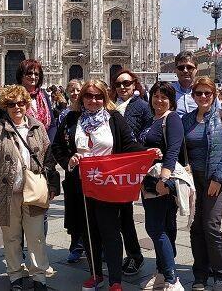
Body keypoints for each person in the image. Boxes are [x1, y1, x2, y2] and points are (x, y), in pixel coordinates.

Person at [51, 79, 151, 291]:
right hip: (80, 185)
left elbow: (129, 144)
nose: (93, 100)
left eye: (98, 96)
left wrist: (149, 154)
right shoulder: (71, 118)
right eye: (89, 96)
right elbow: (58, 147)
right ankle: (95, 274)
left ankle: (115, 280)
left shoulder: (113, 118)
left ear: (105, 98)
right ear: (82, 98)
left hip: (107, 184)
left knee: (111, 231)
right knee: (88, 232)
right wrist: (69, 160)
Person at [0, 85, 59, 291]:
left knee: (36, 237)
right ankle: (15, 275)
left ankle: (39, 276)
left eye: (21, 103)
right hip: (7, 193)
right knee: (11, 237)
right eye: (11, 104)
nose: (17, 107)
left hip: (33, 192)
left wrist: (52, 184)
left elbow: (49, 159)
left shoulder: (37, 127)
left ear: (27, 104)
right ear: (5, 106)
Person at [182, 77, 222, 291]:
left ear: (214, 95)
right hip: (193, 181)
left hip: (215, 179)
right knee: (196, 226)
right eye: (198, 93)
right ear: (193, 95)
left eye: (207, 93)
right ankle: (200, 274)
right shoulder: (187, 119)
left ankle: (221, 275)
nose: (203, 97)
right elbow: (180, 149)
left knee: (211, 226)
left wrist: (219, 178)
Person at [139, 81, 186, 291]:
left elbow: (173, 150)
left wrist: (164, 180)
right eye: (156, 96)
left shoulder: (172, 118)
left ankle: (172, 278)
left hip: (160, 180)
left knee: (155, 228)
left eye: (164, 97)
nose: (159, 100)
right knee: (166, 227)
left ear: (171, 101)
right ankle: (161, 273)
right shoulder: (152, 119)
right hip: (148, 179)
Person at [110, 69, 153, 276]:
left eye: (126, 83)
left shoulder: (142, 106)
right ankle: (116, 252)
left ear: (134, 84)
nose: (122, 87)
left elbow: (150, 130)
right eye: (118, 84)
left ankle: (135, 255)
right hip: (110, 166)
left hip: (130, 166)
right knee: (114, 214)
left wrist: (139, 147)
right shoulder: (109, 105)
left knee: (125, 214)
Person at [56, 78, 85, 264]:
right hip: (74, 173)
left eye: (78, 90)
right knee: (74, 210)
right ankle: (76, 245)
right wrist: (67, 162)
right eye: (71, 90)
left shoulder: (103, 114)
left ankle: (102, 247)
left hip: (96, 173)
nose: (74, 93)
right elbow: (58, 145)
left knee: (98, 212)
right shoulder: (67, 117)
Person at [17, 59, 57, 141]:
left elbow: (52, 124)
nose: (33, 77)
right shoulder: (15, 96)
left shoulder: (43, 96)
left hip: (44, 144)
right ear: (21, 76)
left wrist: (49, 143)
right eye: (29, 73)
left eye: (36, 74)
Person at [172, 51, 200, 117]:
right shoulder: (168, 91)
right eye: (181, 68)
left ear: (197, 70)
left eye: (189, 67)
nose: (185, 70)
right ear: (175, 70)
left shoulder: (206, 92)